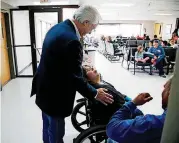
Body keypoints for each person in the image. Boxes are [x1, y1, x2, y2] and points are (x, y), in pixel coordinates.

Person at [30, 5, 114, 143]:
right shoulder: (72, 40)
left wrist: (85, 72)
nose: (90, 32)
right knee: (56, 133)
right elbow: (73, 79)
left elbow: (63, 65)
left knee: (47, 127)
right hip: (55, 97)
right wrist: (95, 93)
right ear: (86, 22)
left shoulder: (58, 28)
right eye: (92, 28)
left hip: (44, 89)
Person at [107, 78, 172, 143]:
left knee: (111, 140)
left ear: (170, 94)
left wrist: (132, 103)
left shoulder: (154, 124)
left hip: (118, 121)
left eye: (165, 88)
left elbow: (112, 128)